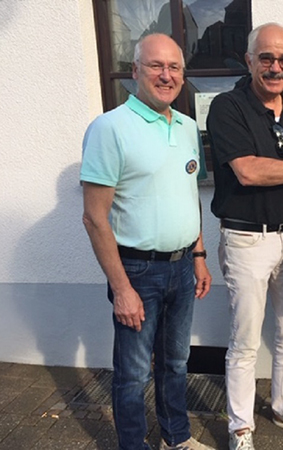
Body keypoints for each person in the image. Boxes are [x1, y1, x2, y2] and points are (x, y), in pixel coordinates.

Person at [81, 34, 213, 450]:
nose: (166, 75)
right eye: (156, 66)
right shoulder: (109, 128)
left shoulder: (189, 127)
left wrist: (199, 255)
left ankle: (176, 439)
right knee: (133, 373)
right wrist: (122, 289)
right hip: (136, 271)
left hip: (181, 266)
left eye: (174, 67)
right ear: (134, 71)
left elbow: (188, 195)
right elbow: (94, 216)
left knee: (176, 363)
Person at [206, 23, 283, 450]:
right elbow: (248, 170)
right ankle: (240, 428)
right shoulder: (227, 107)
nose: (276, 67)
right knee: (244, 340)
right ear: (249, 60)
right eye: (267, 58)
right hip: (247, 241)